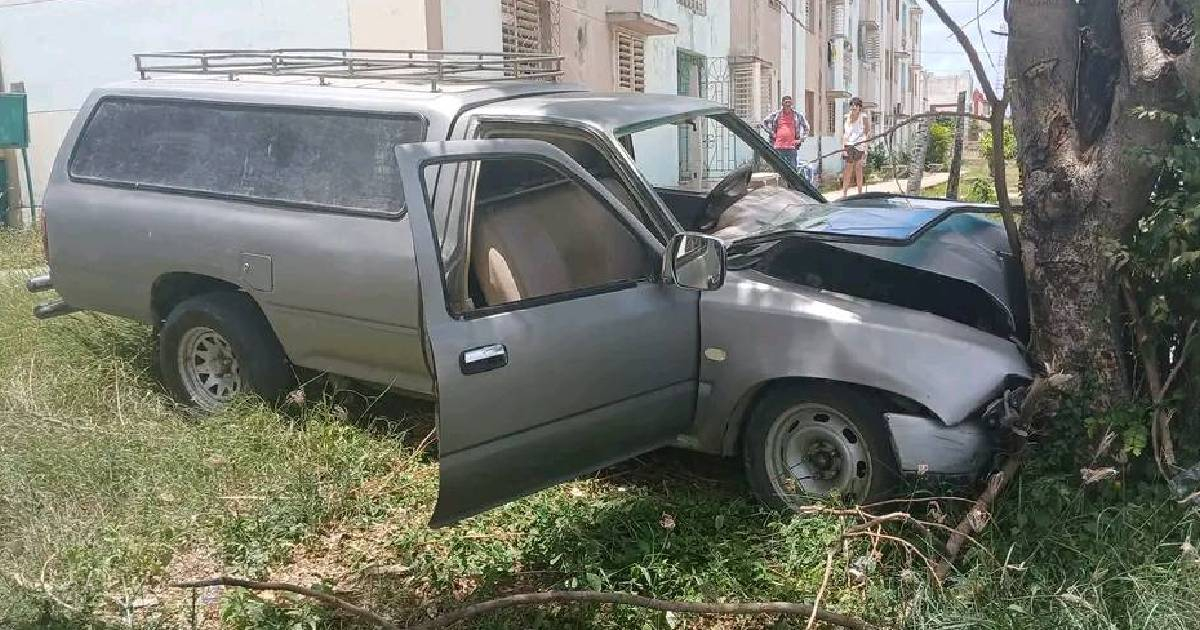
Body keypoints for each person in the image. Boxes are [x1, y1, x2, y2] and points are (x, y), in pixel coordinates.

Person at [762, 96, 810, 179]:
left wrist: (800, 140)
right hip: (778, 147)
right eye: (786, 102)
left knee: (792, 172)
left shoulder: (797, 116)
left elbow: (807, 127)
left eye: (790, 103)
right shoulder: (776, 115)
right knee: (778, 171)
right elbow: (764, 123)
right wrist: (772, 133)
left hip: (791, 147)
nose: (788, 105)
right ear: (782, 104)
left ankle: (791, 189)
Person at [841, 97, 871, 197]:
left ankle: (859, 192)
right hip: (849, 145)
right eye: (852, 105)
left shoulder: (863, 117)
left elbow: (867, 132)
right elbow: (845, 134)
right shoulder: (846, 117)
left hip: (860, 145)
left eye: (856, 105)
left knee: (858, 169)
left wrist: (866, 148)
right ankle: (844, 193)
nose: (853, 107)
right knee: (848, 169)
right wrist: (843, 148)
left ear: (859, 107)